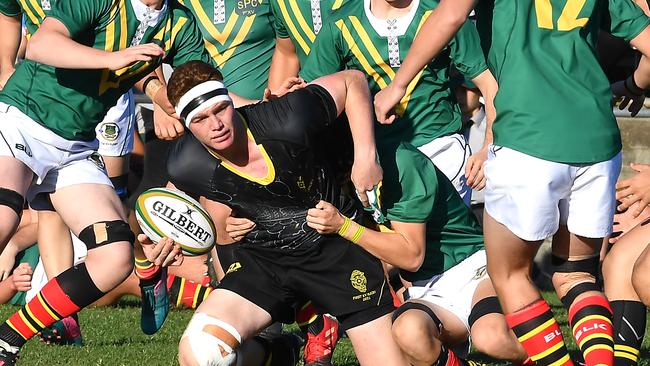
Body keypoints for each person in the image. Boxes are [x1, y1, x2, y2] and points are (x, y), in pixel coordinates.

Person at [372, 0, 650, 365]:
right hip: (597, 136)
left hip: (527, 134)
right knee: (575, 274)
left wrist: (398, 84)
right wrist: (634, 83)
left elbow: (450, 14)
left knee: (509, 275)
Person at [0, 0, 216, 363]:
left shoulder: (179, 21)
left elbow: (200, 86)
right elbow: (41, 44)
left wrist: (174, 103)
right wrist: (115, 57)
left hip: (77, 146)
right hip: (23, 120)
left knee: (115, 257)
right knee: (4, 218)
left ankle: (7, 341)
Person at [161, 60, 407, 366]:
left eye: (220, 109)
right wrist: (163, 241)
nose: (216, 124)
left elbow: (352, 81)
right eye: (200, 119)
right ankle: (276, 355)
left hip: (336, 251)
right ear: (186, 125)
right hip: (266, 262)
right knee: (201, 352)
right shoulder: (184, 164)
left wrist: (365, 157)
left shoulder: (285, 118)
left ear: (230, 100)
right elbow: (170, 211)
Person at [299, 0, 497, 204]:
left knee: (444, 236)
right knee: (386, 237)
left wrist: (488, 148)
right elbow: (312, 95)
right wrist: (284, 95)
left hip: (442, 153)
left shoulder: (443, 14)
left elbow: (489, 84)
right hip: (377, 165)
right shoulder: (340, 23)